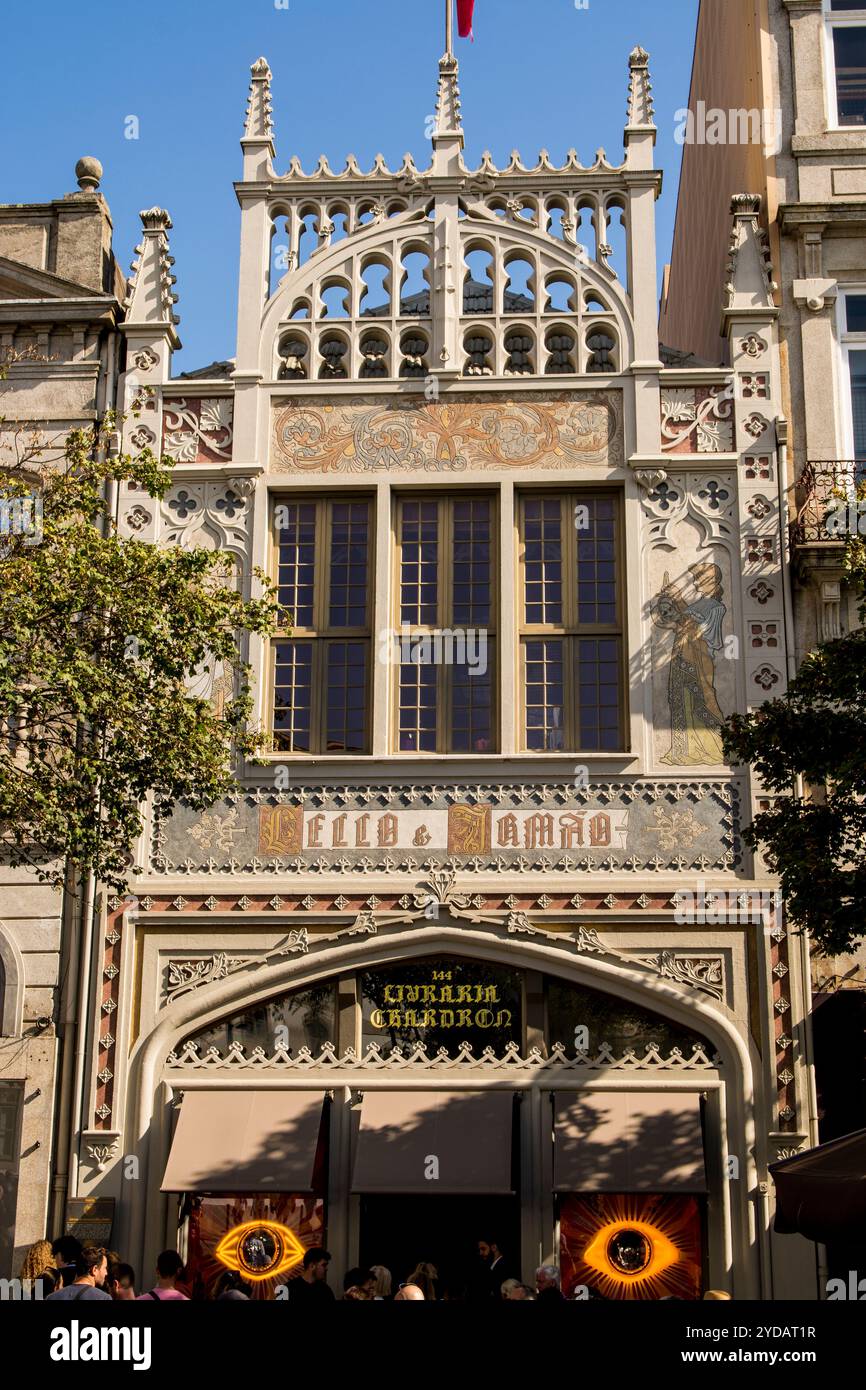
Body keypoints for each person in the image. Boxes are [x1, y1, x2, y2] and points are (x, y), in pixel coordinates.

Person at [46, 1245, 111, 1301]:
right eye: (105, 1268)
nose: (106, 1273)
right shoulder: (103, 1298)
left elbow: (37, 1297)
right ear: (94, 1270)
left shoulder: (52, 1295)